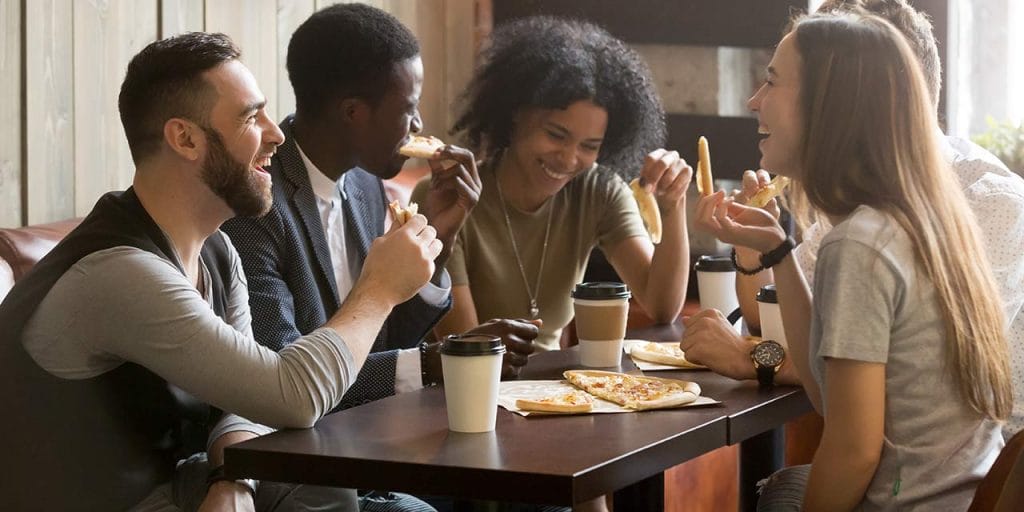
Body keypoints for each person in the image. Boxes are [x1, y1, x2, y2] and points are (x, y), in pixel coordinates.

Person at [0, 32, 441, 511]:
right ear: (185, 138)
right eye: (252, 117)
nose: (276, 134)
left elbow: (241, 401)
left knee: (358, 493)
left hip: (180, 484)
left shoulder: (219, 250)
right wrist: (378, 289)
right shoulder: (119, 273)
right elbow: (291, 395)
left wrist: (234, 482)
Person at [694, 11, 1012, 510]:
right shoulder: (921, 221)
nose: (754, 100)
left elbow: (852, 452)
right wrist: (778, 251)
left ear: (829, 108)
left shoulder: (861, 246)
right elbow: (830, 400)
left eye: (772, 82)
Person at [220, 4, 537, 412]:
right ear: (353, 113)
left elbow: (386, 342)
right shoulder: (256, 206)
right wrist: (432, 363)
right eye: (408, 109)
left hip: (373, 434)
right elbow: (287, 377)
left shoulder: (367, 184)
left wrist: (440, 235)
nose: (419, 125)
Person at [415, 16, 692, 353]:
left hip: (557, 391)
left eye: (589, 146)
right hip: (470, 390)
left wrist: (673, 204)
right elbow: (468, 350)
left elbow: (661, 306)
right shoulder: (447, 197)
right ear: (516, 112)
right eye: (556, 135)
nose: (569, 159)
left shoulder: (598, 191)